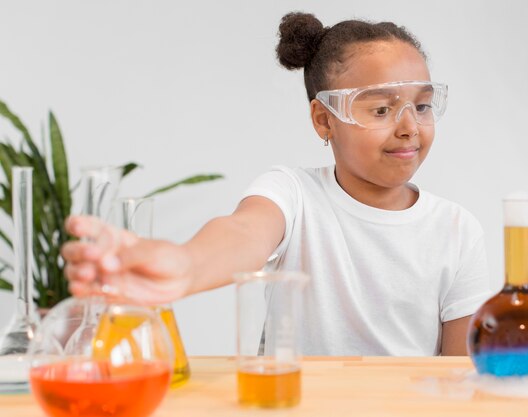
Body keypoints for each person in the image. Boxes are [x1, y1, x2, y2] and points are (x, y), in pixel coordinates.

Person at [62, 12, 492, 356]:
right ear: (325, 120)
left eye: (422, 106)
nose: (409, 127)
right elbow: (243, 232)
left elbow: (457, 379)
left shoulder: (456, 229)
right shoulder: (293, 193)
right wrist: (184, 266)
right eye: (380, 110)